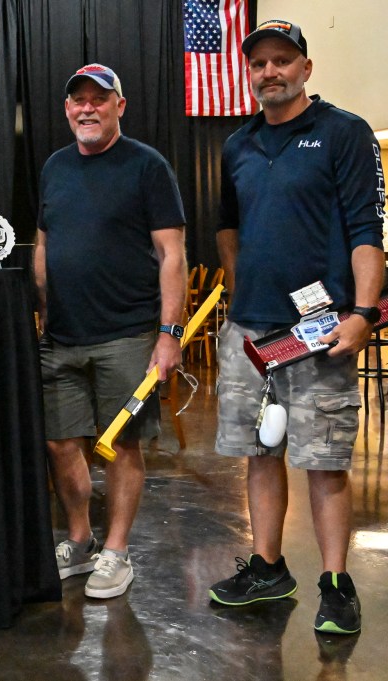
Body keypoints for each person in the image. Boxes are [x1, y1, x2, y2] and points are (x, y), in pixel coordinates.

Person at [208, 20, 384, 636]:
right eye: (259, 64)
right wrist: (239, 287)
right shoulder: (238, 144)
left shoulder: (343, 132)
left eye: (282, 60)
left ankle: (336, 584)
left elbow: (365, 228)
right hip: (250, 333)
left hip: (319, 331)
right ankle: (268, 567)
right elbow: (226, 224)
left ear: (306, 68)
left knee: (324, 460)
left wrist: (364, 313)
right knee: (260, 454)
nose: (270, 72)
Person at [35, 64, 187, 599]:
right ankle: (80, 540)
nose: (87, 108)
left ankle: (117, 551)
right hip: (61, 336)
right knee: (59, 443)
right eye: (78, 100)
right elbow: (43, 243)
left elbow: (172, 254)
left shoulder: (148, 166)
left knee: (123, 445)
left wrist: (170, 333)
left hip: (127, 334)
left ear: (119, 106)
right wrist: (41, 307)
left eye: (99, 99)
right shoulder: (55, 167)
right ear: (67, 109)